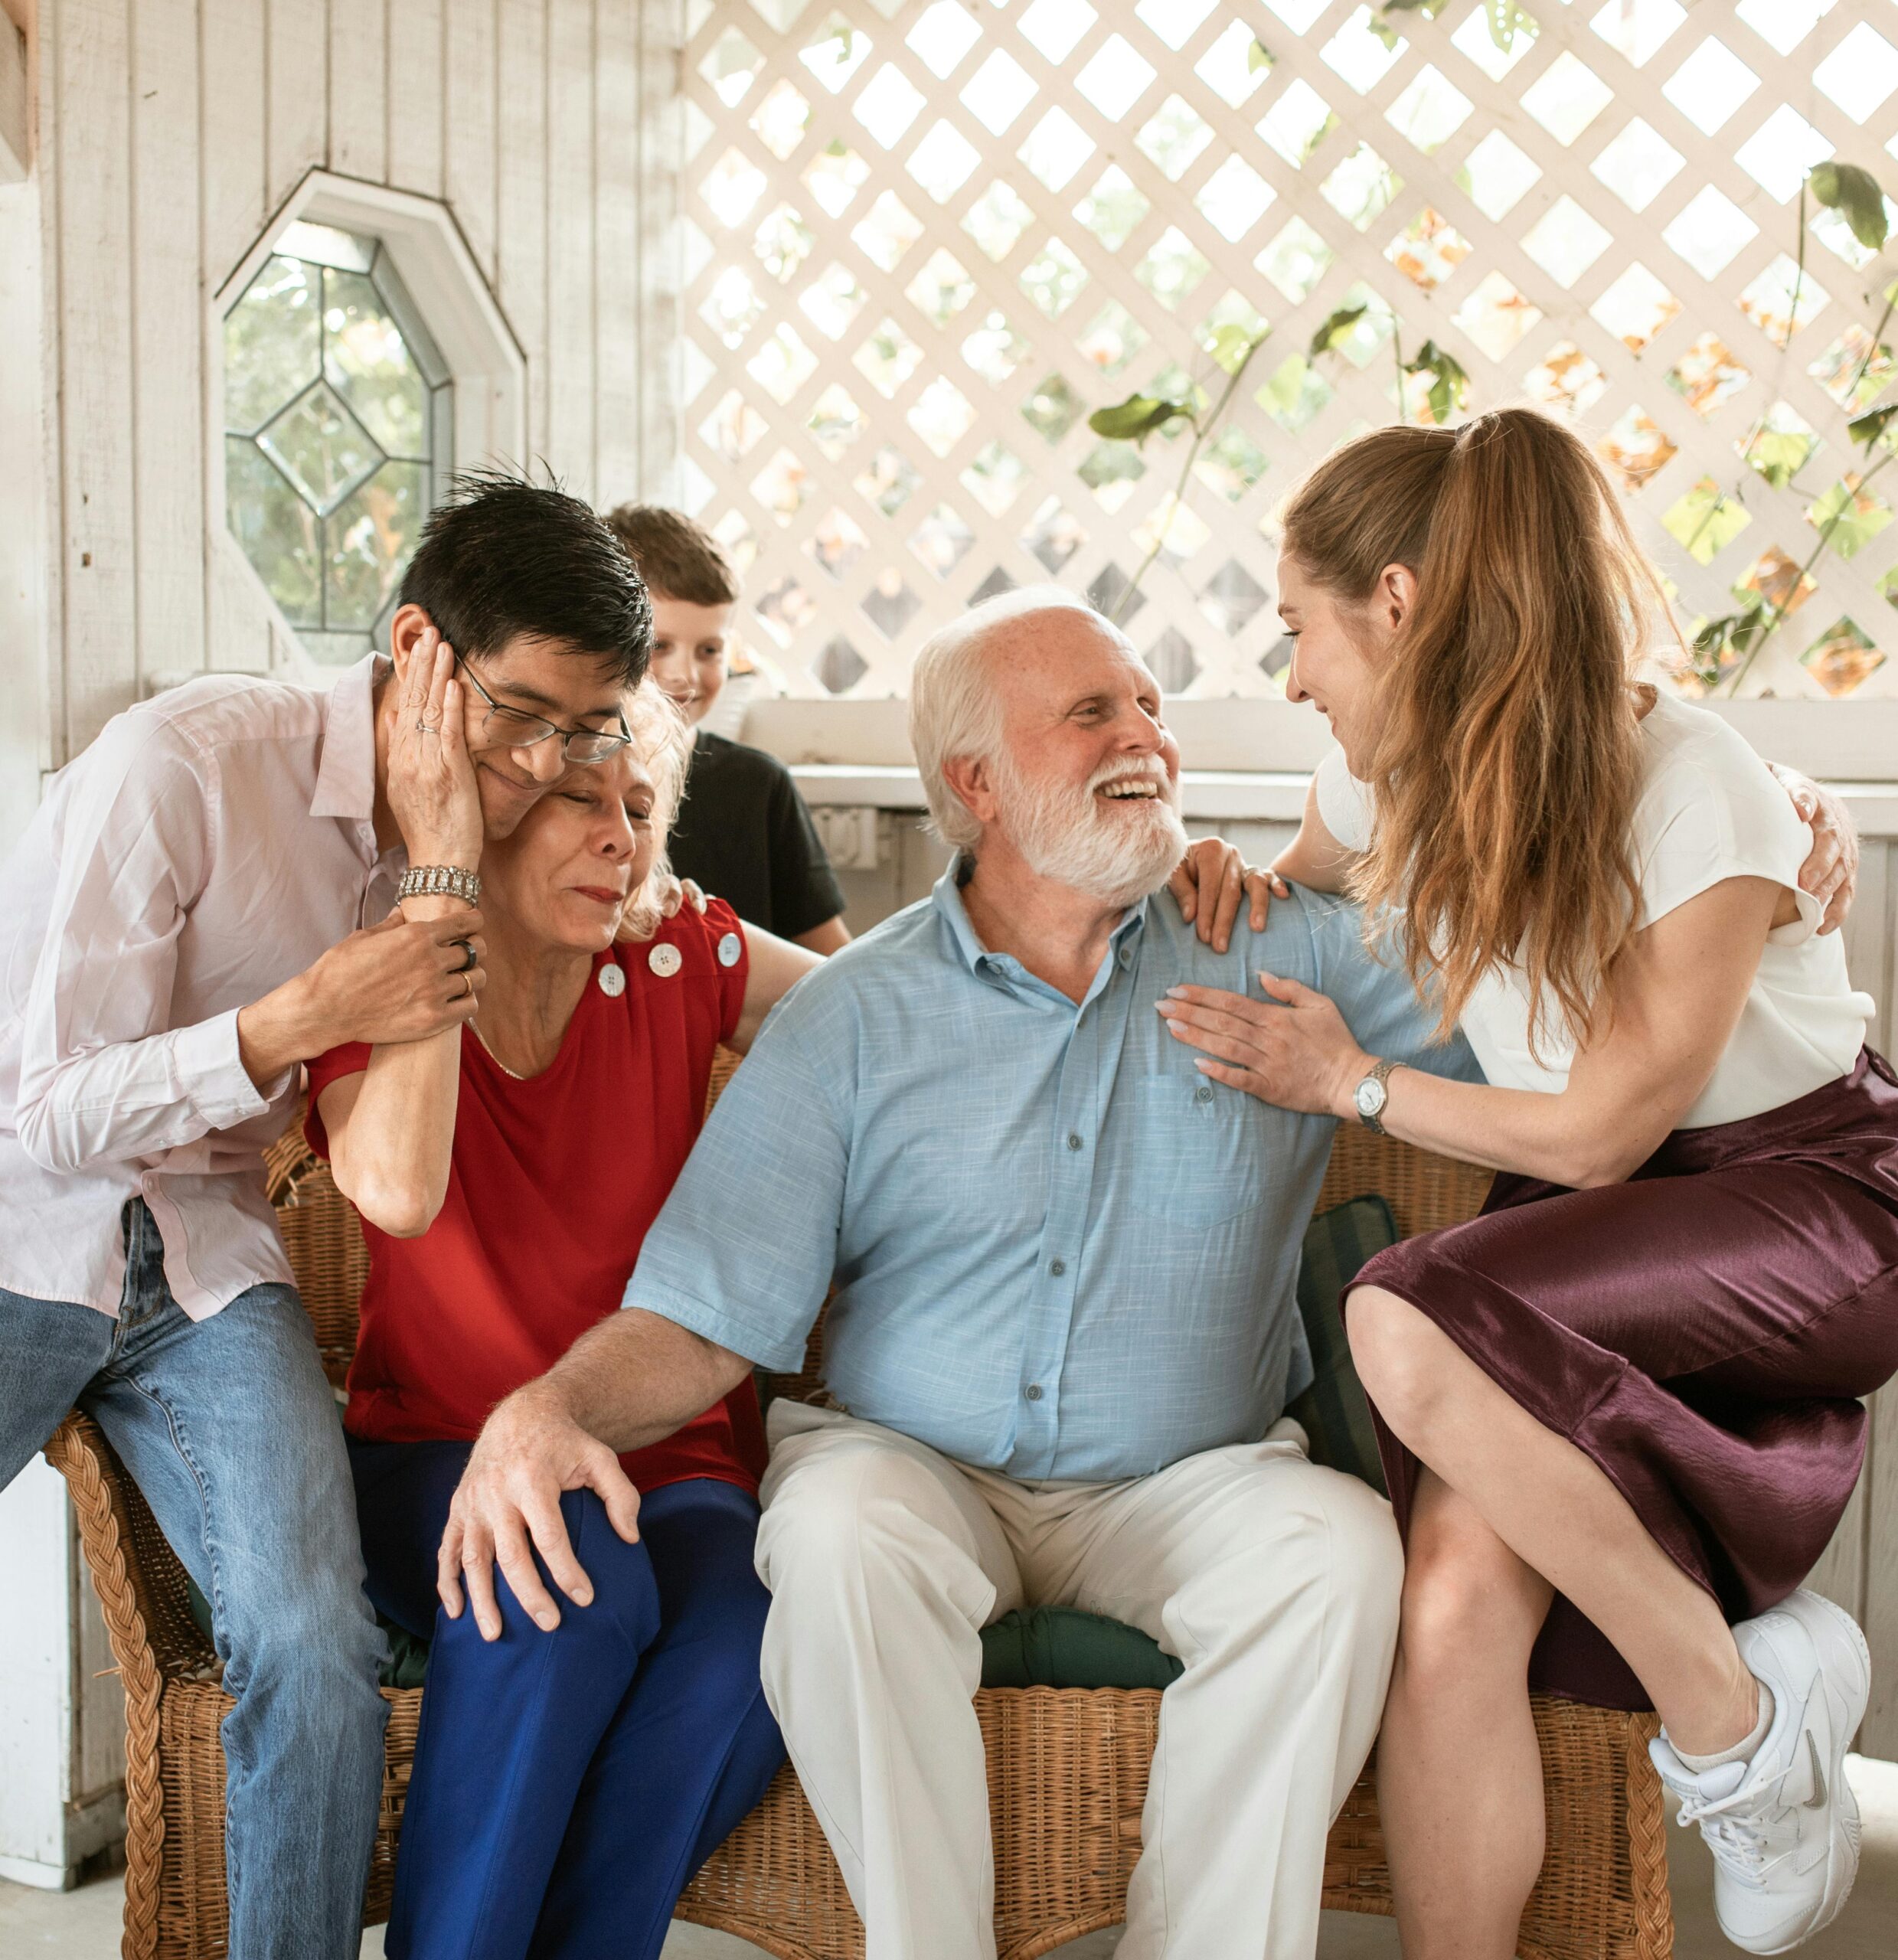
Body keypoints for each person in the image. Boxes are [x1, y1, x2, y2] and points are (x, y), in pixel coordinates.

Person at [422, 586, 1506, 1960]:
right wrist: (551, 1411)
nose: (1146, 739)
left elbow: (1544, 985)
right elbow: (701, 1320)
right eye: (1092, 712)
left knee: (1336, 1555)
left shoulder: (1276, 945)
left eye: (1150, 710)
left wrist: (1746, 835)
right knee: (827, 1536)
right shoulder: (854, 1016)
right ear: (974, 783)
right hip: (913, 1468)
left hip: (1191, 1478)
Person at [1155, 410, 1898, 1959]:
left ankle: (1733, 1710)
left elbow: (1603, 1134)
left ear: (1402, 606)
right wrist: (1221, 876)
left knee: (1401, 1320)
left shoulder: (1696, 784)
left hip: (1809, 1207)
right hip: (1579, 1246)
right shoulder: (1387, 783)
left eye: (1301, 628)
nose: (1290, 674)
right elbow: (1302, 869)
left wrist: (1348, 1079)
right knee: (1450, 1609)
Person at [0, 472, 652, 1960]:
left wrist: (435, 863)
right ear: (418, 647)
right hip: (24, 1217)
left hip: (209, 1265)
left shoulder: (474, 838)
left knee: (312, 1640)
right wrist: (285, 1020)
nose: (553, 765)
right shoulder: (184, 764)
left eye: (587, 729)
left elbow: (400, 1186)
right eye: (524, 714)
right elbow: (48, 1110)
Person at [307, 677, 815, 1960]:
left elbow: (892, 1011)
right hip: (434, 1451)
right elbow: (397, 1192)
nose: (619, 836)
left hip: (670, 1452)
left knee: (752, 1632)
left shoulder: (678, 953)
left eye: (640, 806)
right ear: (491, 812)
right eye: (579, 801)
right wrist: (444, 923)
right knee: (562, 1581)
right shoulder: (380, 973)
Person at [603, 503, 852, 952]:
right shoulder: (572, 781)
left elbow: (830, 958)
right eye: (659, 646)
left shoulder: (760, 786)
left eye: (709, 650)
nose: (686, 676)